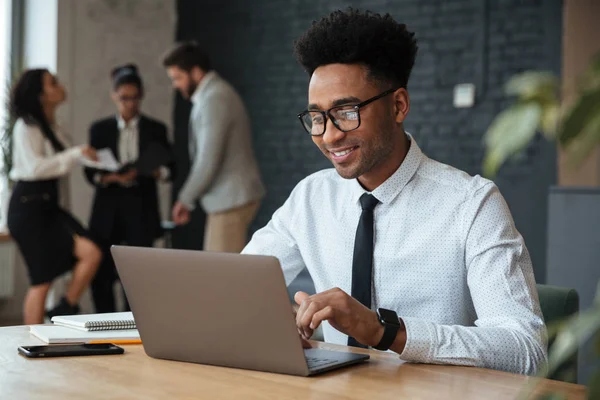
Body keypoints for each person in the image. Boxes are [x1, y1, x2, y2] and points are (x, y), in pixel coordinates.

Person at [242, 9, 547, 375]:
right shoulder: (311, 197)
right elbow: (238, 286)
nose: (329, 134)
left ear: (398, 105)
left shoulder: (473, 204)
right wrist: (275, 327)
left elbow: (526, 349)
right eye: (318, 117)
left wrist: (386, 331)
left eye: (347, 111)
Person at [7, 69, 102, 324]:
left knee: (91, 252)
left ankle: (63, 309)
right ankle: (31, 346)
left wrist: (89, 158)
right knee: (42, 279)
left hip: (49, 207)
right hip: (29, 207)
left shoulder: (54, 127)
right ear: (41, 95)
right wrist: (75, 154)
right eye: (53, 83)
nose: (60, 86)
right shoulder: (25, 126)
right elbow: (34, 168)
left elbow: (62, 164)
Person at [84, 64, 176, 313]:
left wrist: (153, 171)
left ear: (141, 95)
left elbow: (171, 169)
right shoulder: (99, 129)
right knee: (102, 273)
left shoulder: (156, 129)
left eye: (134, 98)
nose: (130, 104)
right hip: (108, 209)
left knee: (138, 274)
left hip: (141, 206)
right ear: (114, 96)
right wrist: (109, 178)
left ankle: (135, 324)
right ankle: (103, 324)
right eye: (124, 98)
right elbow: (89, 173)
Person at [162, 42, 265, 253]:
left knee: (221, 276)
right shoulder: (213, 95)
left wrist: (185, 199)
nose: (175, 85)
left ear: (196, 72)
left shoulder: (214, 98)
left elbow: (208, 159)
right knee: (224, 272)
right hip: (229, 198)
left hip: (231, 199)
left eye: (177, 77)